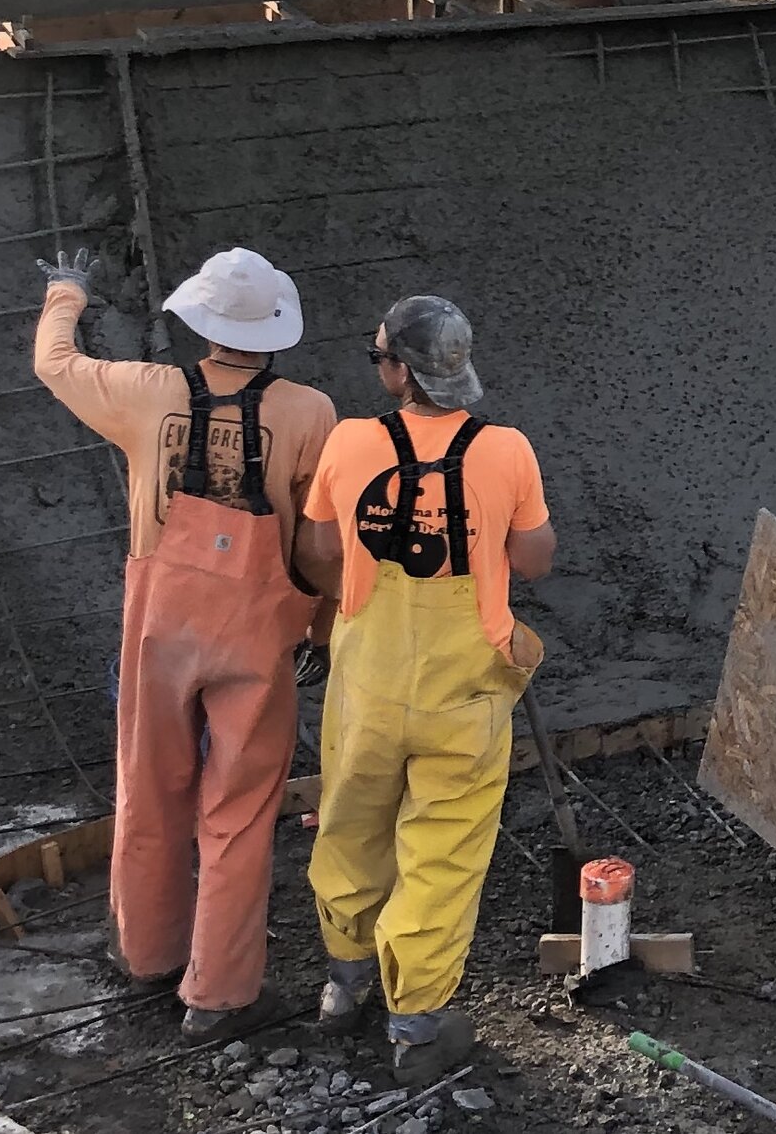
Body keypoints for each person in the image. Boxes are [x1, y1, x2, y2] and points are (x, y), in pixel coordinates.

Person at [30, 245, 336, 1040]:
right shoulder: (310, 413)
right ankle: (220, 995)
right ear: (275, 330)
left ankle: (147, 955)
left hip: (161, 619)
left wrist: (67, 291)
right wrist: (324, 627)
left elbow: (55, 363)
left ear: (198, 318)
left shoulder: (143, 391)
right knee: (239, 810)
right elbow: (318, 544)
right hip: (259, 628)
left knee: (148, 784)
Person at [295, 297, 554, 1085]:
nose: (378, 366)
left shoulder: (349, 441)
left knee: (349, 823)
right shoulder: (506, 450)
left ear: (401, 371)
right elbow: (535, 558)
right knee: (443, 849)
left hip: (368, 680)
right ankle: (416, 1024)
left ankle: (345, 986)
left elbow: (316, 553)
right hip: (467, 689)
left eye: (380, 356)